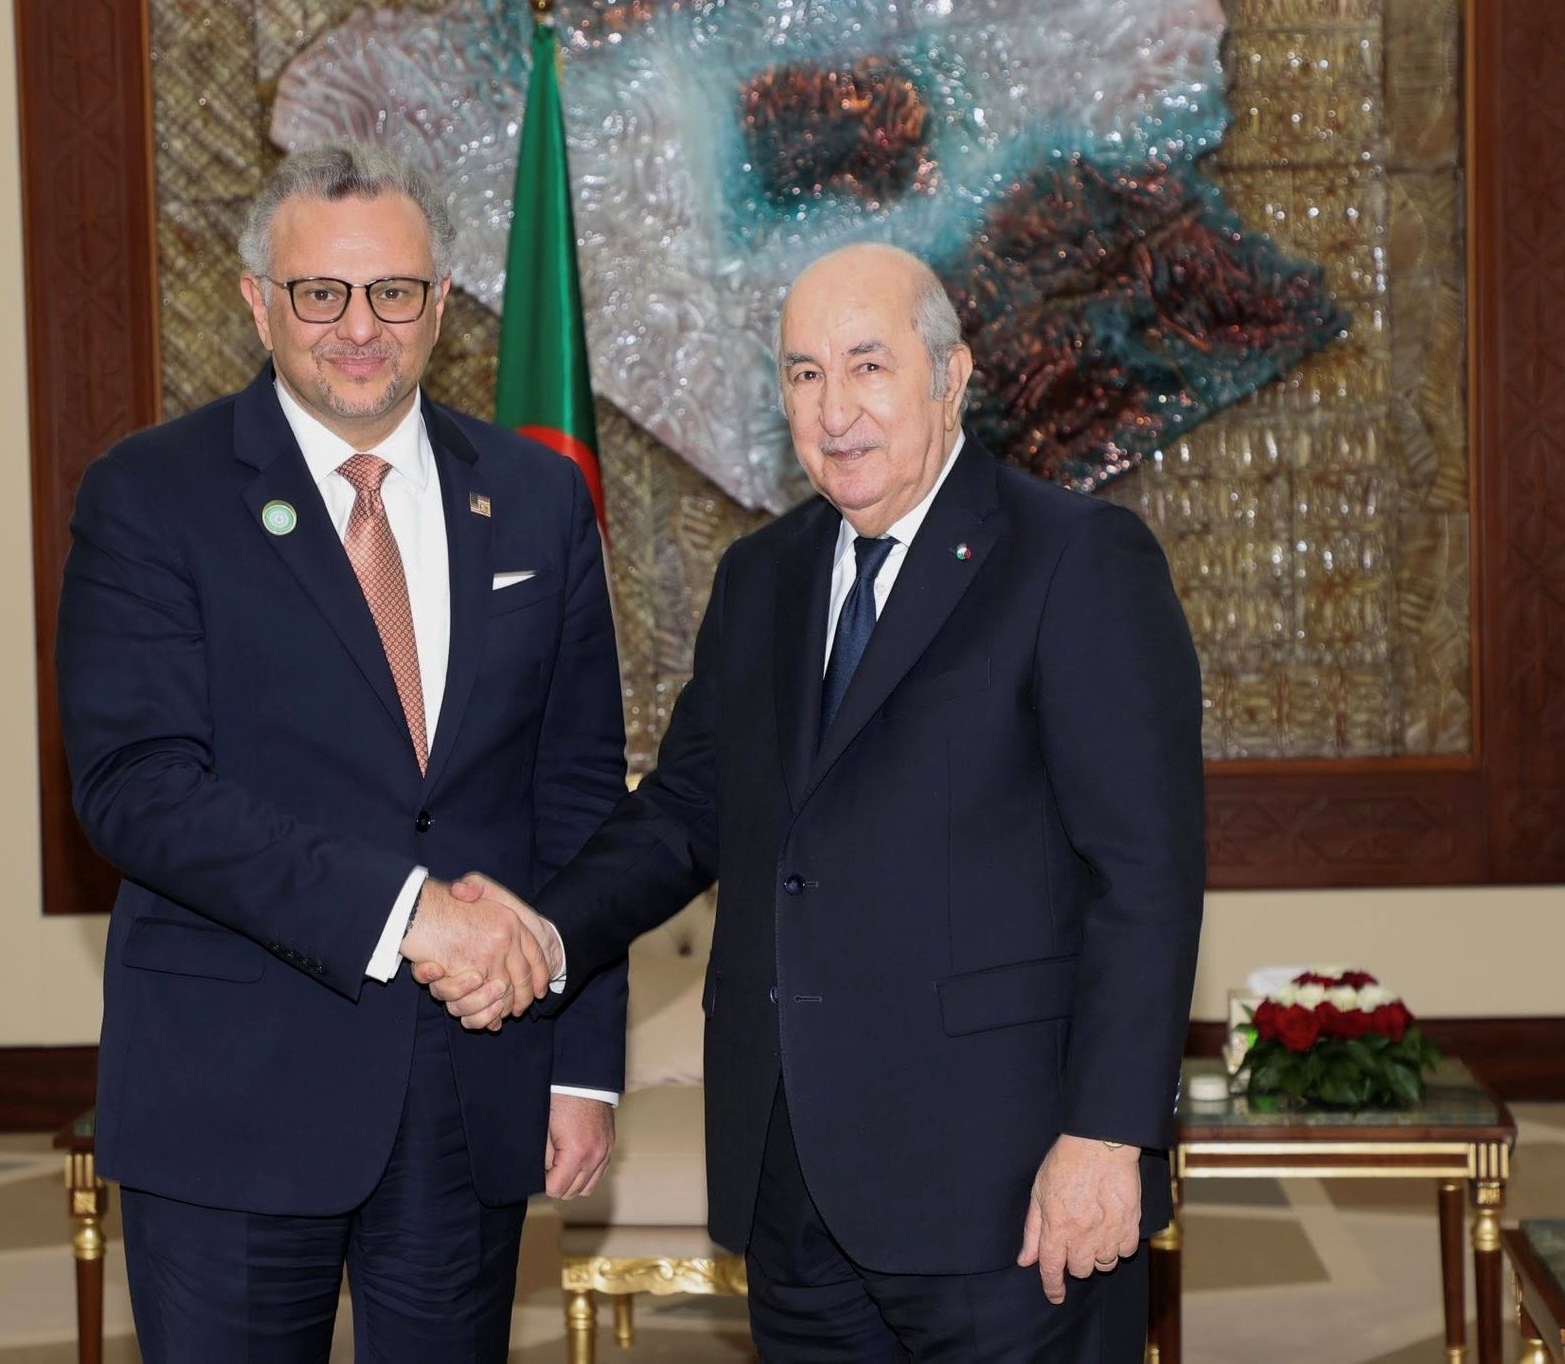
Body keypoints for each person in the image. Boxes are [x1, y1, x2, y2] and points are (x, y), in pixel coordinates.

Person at [433, 242, 1205, 1361]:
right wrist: (544, 931)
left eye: (868, 366)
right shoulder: (763, 578)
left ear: (951, 377)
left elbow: (1146, 874)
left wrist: (1107, 1134)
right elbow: (687, 810)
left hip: (1010, 1191)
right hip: (796, 1187)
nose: (835, 409)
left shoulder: (1073, 559)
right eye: (802, 374)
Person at [55, 140, 628, 1362]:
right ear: (261, 301)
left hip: (470, 1092)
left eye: (395, 293)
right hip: (233, 1095)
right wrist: (405, 910)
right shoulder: (151, 497)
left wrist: (583, 1062)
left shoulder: (535, 499)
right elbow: (137, 789)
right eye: (323, 293)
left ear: (441, 305)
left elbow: (576, 797)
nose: (359, 327)